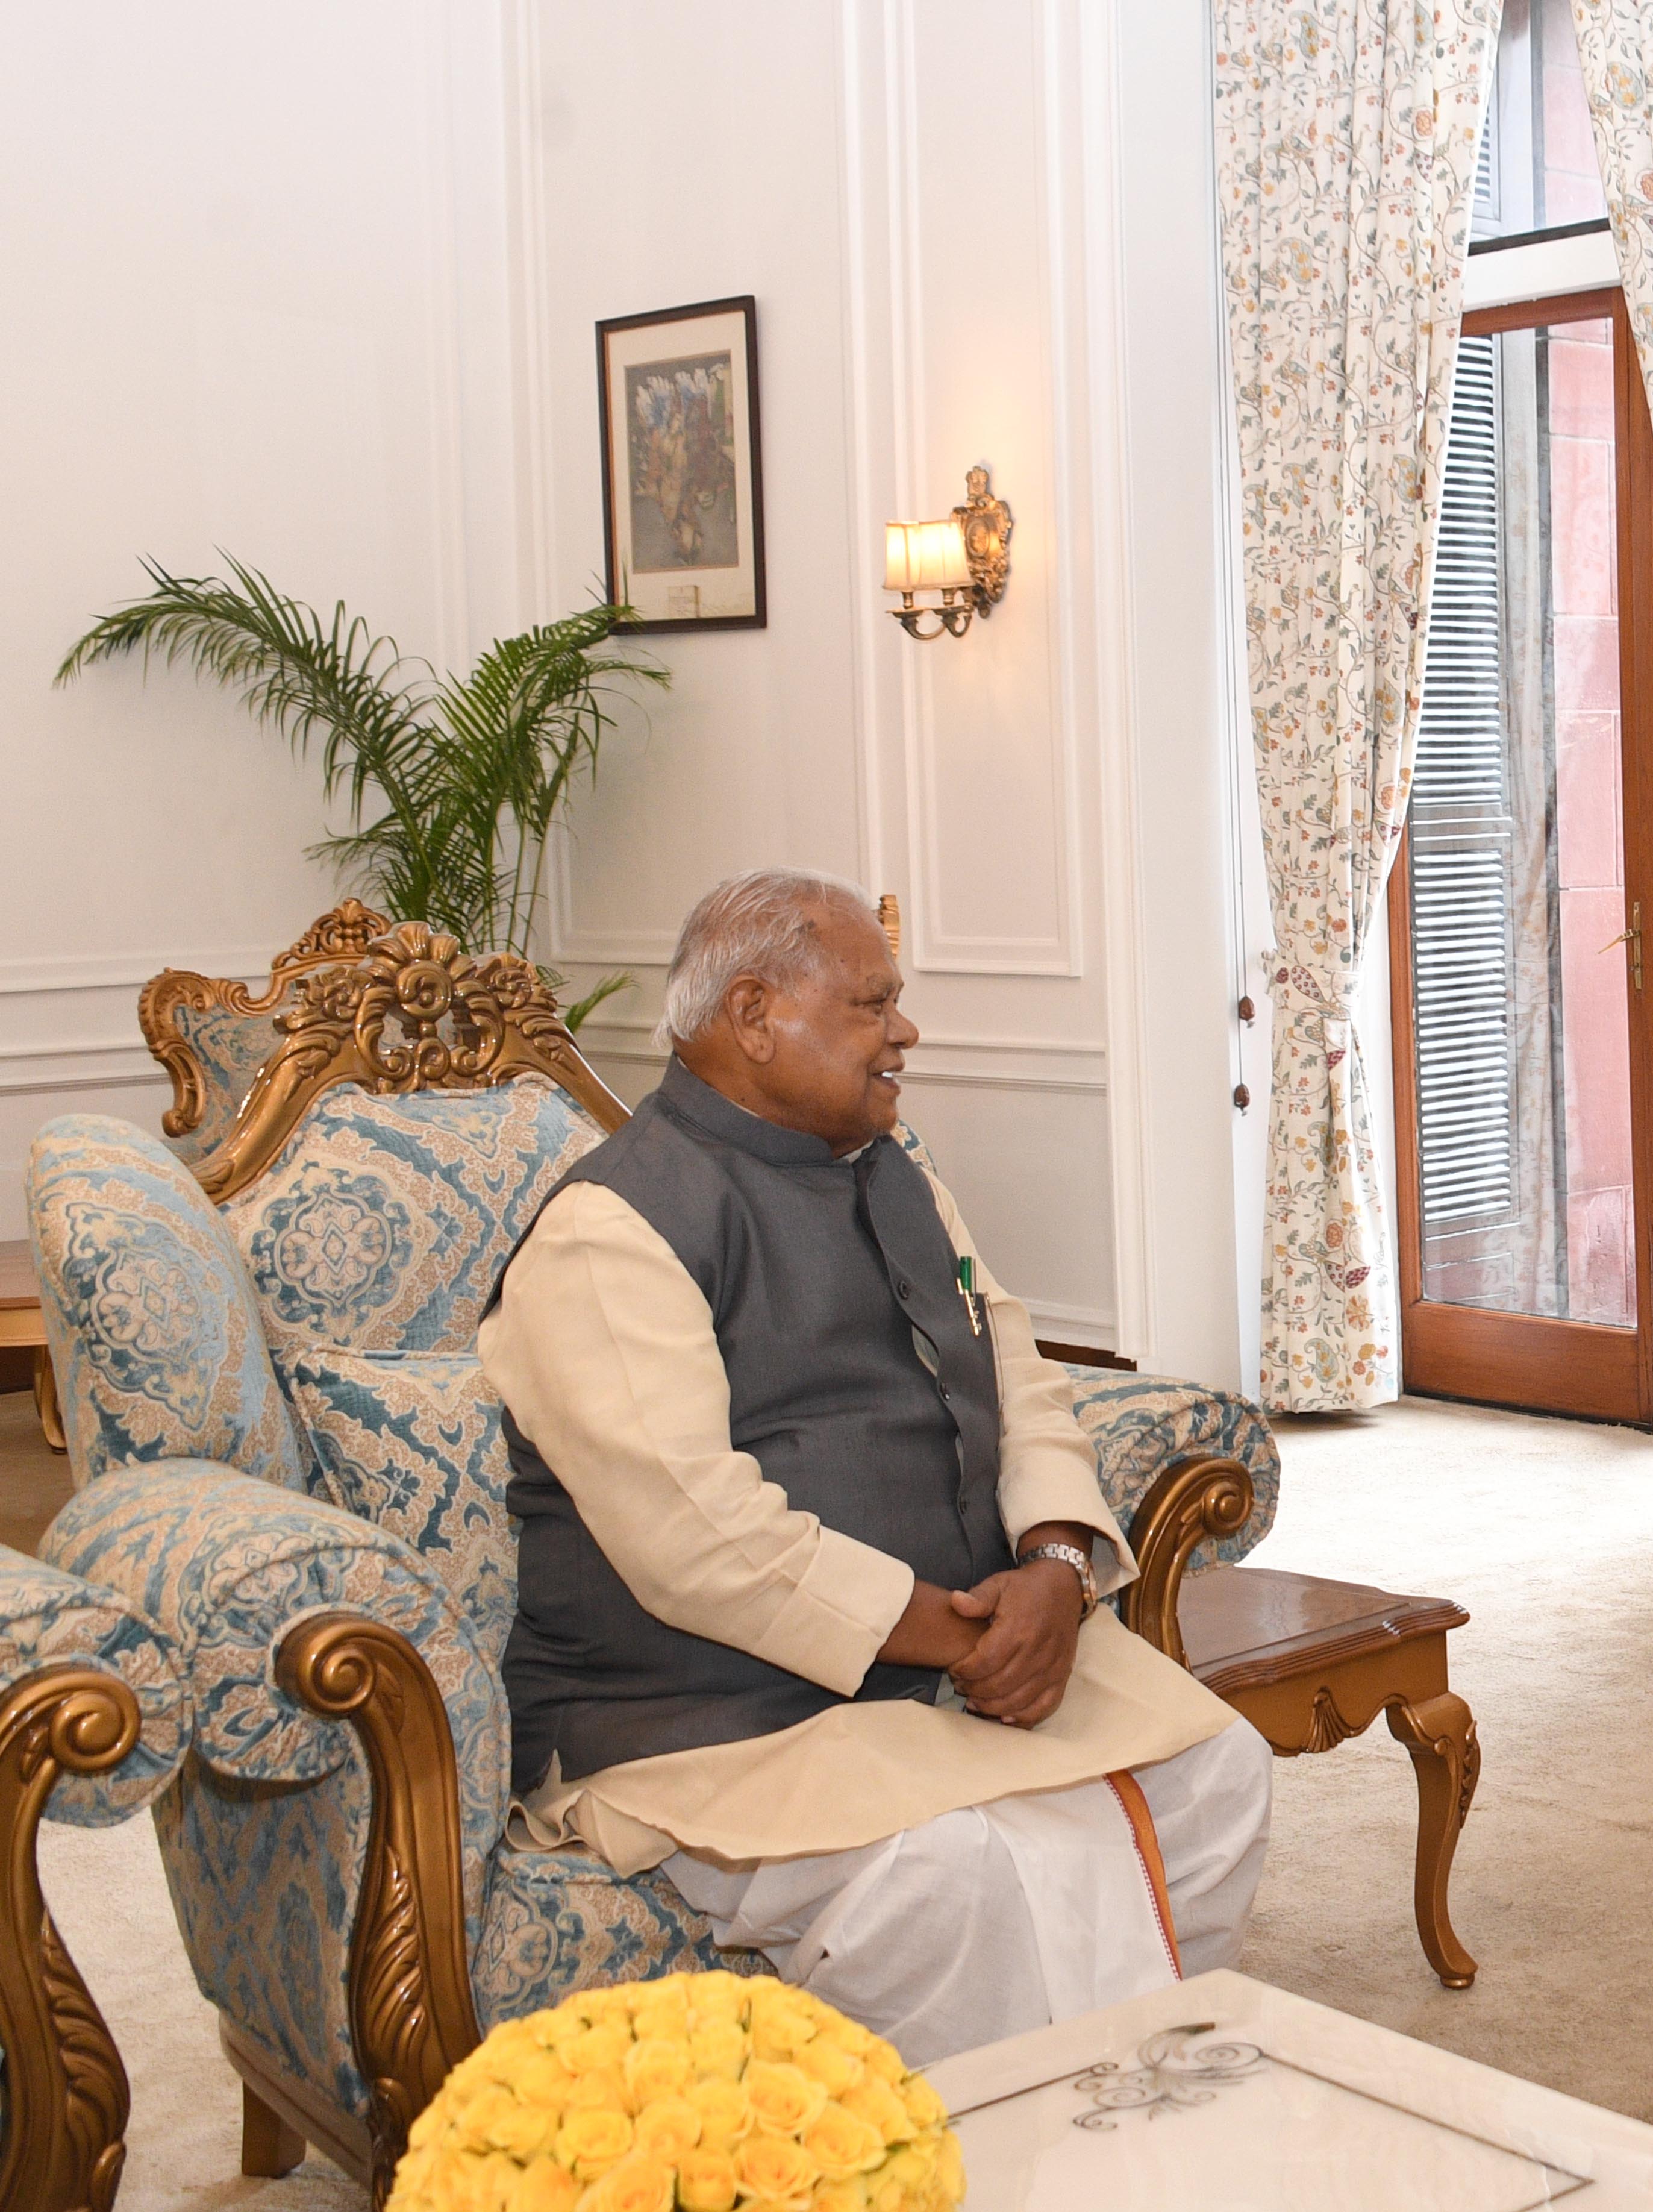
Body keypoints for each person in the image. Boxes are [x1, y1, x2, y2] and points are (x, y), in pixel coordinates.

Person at [483, 867, 1270, 2065]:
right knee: (947, 1872)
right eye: (872, 1003)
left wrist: (1057, 1568)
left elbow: (1021, 1377)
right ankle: (1001, 2152)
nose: (904, 1030)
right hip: (708, 1718)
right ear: (753, 1015)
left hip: (933, 1674)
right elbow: (696, 1538)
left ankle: (1124, 2110)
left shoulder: (896, 1168)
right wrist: (968, 1636)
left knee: (1215, 1773)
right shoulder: (611, 1227)